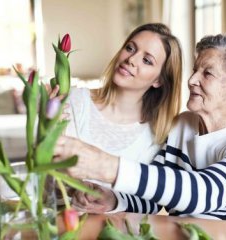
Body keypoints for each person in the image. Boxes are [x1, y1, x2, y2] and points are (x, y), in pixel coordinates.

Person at [54, 33, 226, 224]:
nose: (192, 80)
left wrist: (108, 167)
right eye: (195, 70)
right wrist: (114, 200)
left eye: (207, 73)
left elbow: (202, 194)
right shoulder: (182, 126)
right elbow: (155, 197)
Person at [53, 23, 183, 211]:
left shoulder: (160, 135)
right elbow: (43, 180)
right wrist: (46, 131)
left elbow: (153, 203)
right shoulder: (73, 101)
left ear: (159, 80)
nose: (131, 59)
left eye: (147, 60)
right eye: (130, 48)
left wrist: (114, 201)